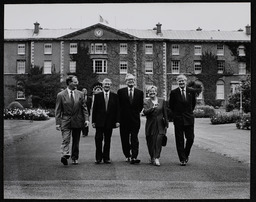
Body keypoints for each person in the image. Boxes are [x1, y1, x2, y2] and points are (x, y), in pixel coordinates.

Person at [55, 75, 89, 165]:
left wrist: (86, 120)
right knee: (66, 139)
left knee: (76, 140)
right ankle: (65, 154)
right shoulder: (61, 95)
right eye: (75, 82)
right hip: (65, 120)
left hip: (77, 120)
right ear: (69, 83)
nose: (77, 83)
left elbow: (84, 108)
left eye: (77, 82)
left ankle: (74, 157)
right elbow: (58, 110)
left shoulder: (80, 94)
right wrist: (57, 123)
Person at [168, 74, 196, 166]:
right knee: (179, 140)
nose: (181, 82)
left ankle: (186, 154)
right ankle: (182, 159)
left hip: (189, 118)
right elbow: (171, 106)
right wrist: (175, 116)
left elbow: (193, 105)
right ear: (177, 82)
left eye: (183, 80)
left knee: (190, 138)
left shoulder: (191, 91)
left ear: (186, 81)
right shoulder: (174, 93)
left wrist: (189, 114)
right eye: (179, 81)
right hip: (178, 119)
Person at [92, 78, 120, 164]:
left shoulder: (115, 96)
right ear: (102, 85)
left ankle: (106, 157)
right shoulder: (97, 96)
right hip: (99, 122)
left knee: (107, 140)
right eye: (105, 84)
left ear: (110, 86)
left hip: (110, 122)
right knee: (98, 139)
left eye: (108, 84)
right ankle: (98, 158)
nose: (107, 86)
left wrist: (117, 121)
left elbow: (117, 110)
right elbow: (94, 110)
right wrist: (93, 121)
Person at [117, 73, 144, 164]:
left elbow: (140, 107)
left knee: (134, 138)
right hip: (124, 120)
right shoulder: (120, 92)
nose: (131, 81)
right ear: (126, 81)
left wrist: (135, 114)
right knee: (124, 138)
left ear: (134, 81)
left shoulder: (140, 93)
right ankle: (127, 155)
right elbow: (119, 106)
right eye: (129, 80)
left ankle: (134, 156)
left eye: (132, 80)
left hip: (135, 120)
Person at [143, 85, 169, 166]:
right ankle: (152, 157)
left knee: (158, 140)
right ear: (148, 93)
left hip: (160, 124)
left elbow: (165, 113)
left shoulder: (162, 101)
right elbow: (145, 112)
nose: (152, 93)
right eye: (150, 92)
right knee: (150, 142)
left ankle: (157, 157)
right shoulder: (146, 102)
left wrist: (166, 124)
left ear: (156, 92)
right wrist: (152, 108)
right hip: (150, 125)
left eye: (153, 91)